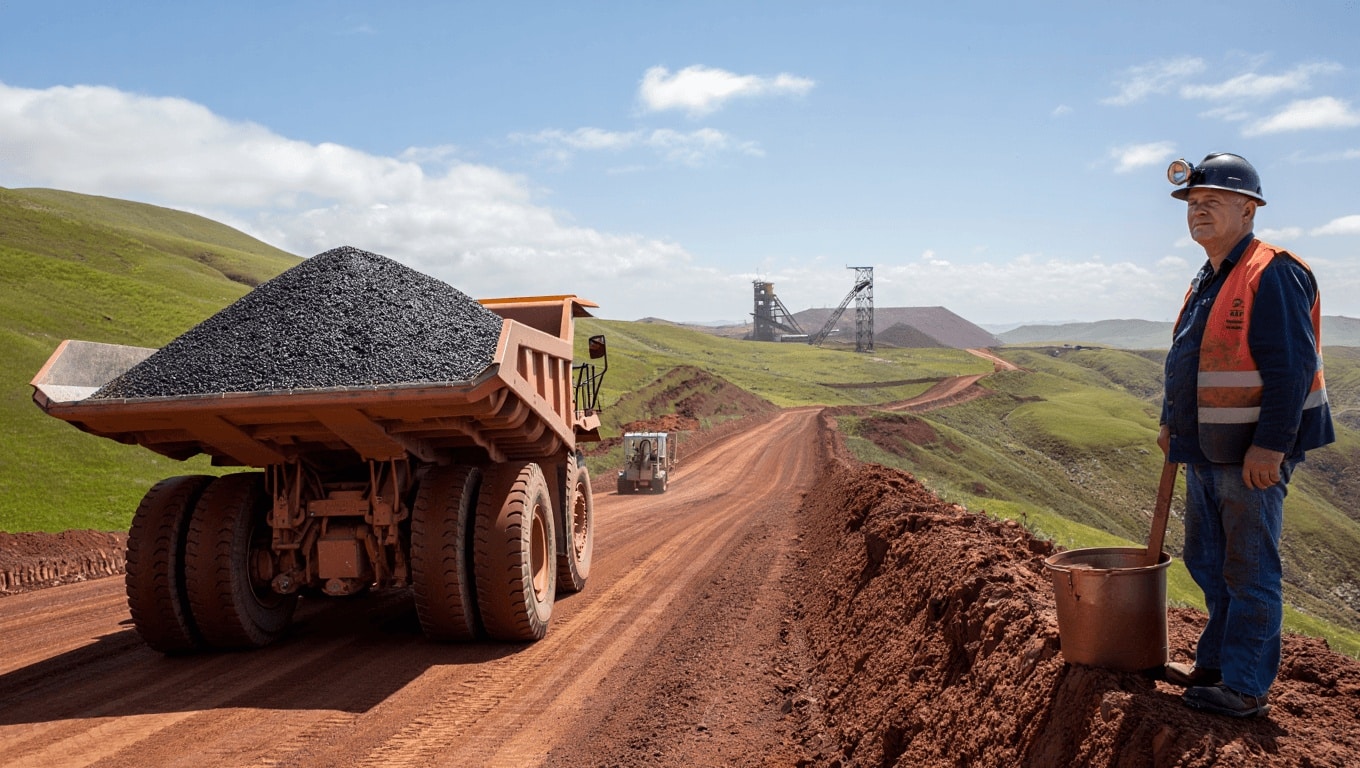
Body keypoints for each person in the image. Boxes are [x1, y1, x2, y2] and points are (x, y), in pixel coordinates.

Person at [1158, 152, 1334, 718]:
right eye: (1193, 203)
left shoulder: (1273, 271)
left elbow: (1290, 367)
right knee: (1207, 561)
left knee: (1250, 569)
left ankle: (1245, 687)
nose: (1198, 211)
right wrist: (1171, 422)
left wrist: (1271, 445)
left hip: (1250, 455)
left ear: (1249, 208)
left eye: (1212, 201)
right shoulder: (1208, 277)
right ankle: (1215, 661)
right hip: (1207, 449)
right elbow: (1187, 356)